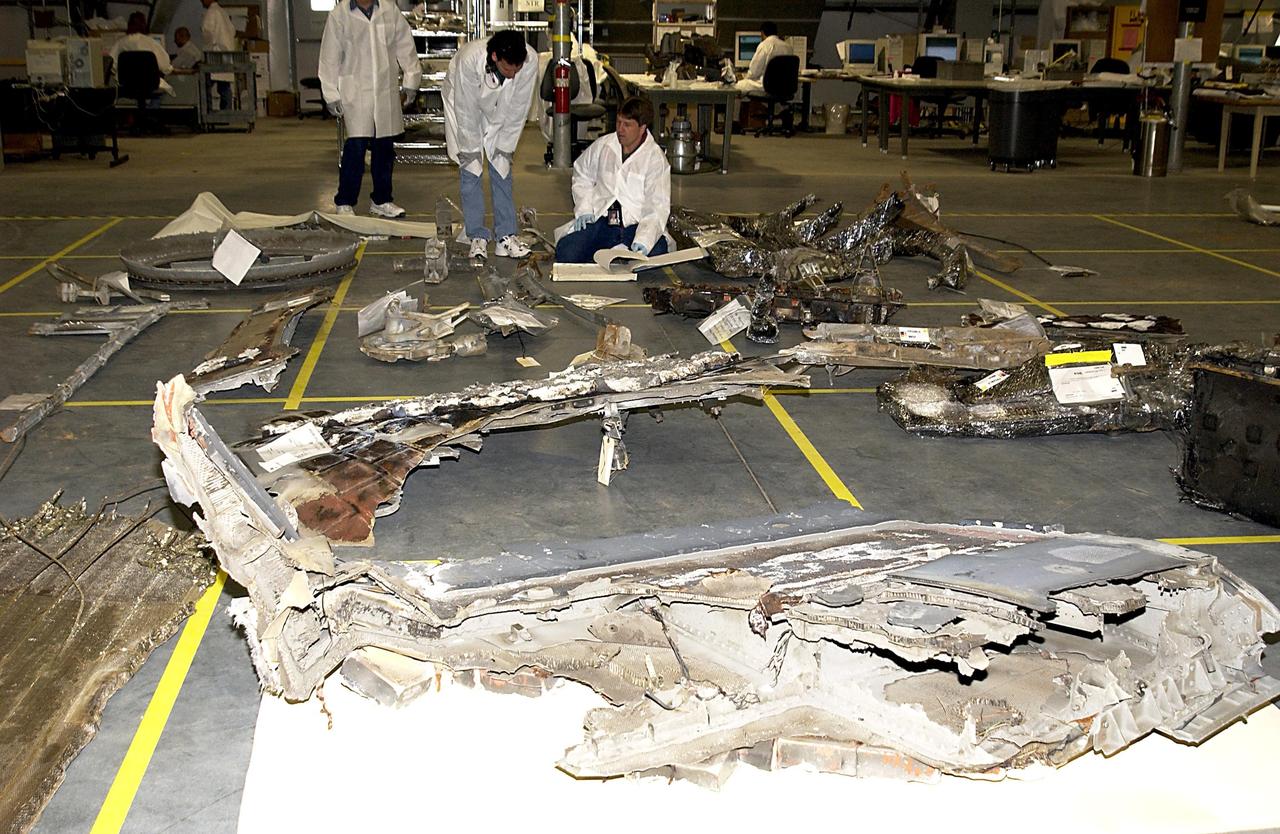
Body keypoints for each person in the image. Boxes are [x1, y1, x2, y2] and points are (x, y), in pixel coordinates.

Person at [318, 0, 420, 217]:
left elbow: (405, 45)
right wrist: (330, 92)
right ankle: (345, 201)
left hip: (384, 90)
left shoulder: (389, 10)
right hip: (355, 92)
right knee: (355, 148)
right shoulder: (339, 15)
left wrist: (411, 80)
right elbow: (329, 57)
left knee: (384, 148)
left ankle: (382, 200)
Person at [442, 30, 538, 260]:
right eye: (508, 68)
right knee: (471, 164)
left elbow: (518, 109)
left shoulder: (529, 61)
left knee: (502, 162)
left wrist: (505, 145)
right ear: (494, 57)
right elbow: (466, 111)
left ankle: (505, 236)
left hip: (501, 110)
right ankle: (477, 235)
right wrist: (470, 147)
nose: (513, 74)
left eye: (517, 68)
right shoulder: (469, 60)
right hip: (462, 102)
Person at [554, 96, 670, 264]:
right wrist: (585, 208)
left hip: (634, 225)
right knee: (566, 253)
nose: (620, 129)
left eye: (627, 125)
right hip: (602, 222)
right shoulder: (604, 145)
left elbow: (657, 206)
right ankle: (615, 251)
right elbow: (582, 173)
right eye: (618, 122)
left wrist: (644, 240)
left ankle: (616, 251)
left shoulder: (655, 159)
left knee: (656, 252)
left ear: (643, 127)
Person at [108, 12, 174, 97]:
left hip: (127, 85)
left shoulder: (120, 43)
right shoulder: (152, 43)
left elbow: (111, 65)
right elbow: (165, 66)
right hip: (150, 85)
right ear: (144, 25)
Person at [200, 0, 236, 109]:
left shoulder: (211, 12)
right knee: (224, 86)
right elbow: (233, 31)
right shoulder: (223, 12)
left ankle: (207, 112)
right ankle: (227, 113)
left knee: (205, 86)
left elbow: (207, 32)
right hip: (227, 53)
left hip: (215, 54)